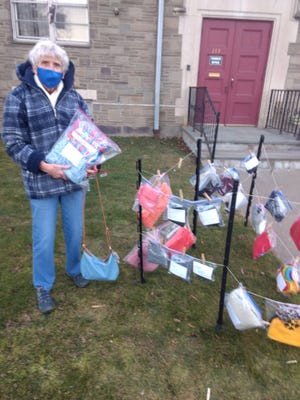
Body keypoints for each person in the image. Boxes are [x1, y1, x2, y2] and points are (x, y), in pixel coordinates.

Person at [2, 39, 98, 314]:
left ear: (64, 72)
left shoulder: (75, 98)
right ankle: (43, 285)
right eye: (45, 63)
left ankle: (75, 269)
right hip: (41, 182)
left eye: (57, 65)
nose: (51, 68)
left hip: (73, 180)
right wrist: (44, 166)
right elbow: (12, 140)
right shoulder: (18, 97)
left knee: (75, 231)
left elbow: (88, 135)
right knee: (43, 237)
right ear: (34, 67)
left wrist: (92, 164)